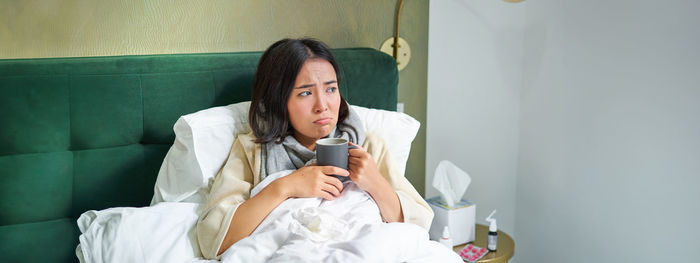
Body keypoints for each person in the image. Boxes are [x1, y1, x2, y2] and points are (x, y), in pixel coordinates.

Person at [196, 38, 433, 260]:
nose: (323, 106)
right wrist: (286, 187)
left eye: (331, 89)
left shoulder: (367, 145)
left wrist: (375, 183)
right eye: (306, 93)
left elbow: (418, 227)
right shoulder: (252, 151)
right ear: (278, 100)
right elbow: (214, 240)